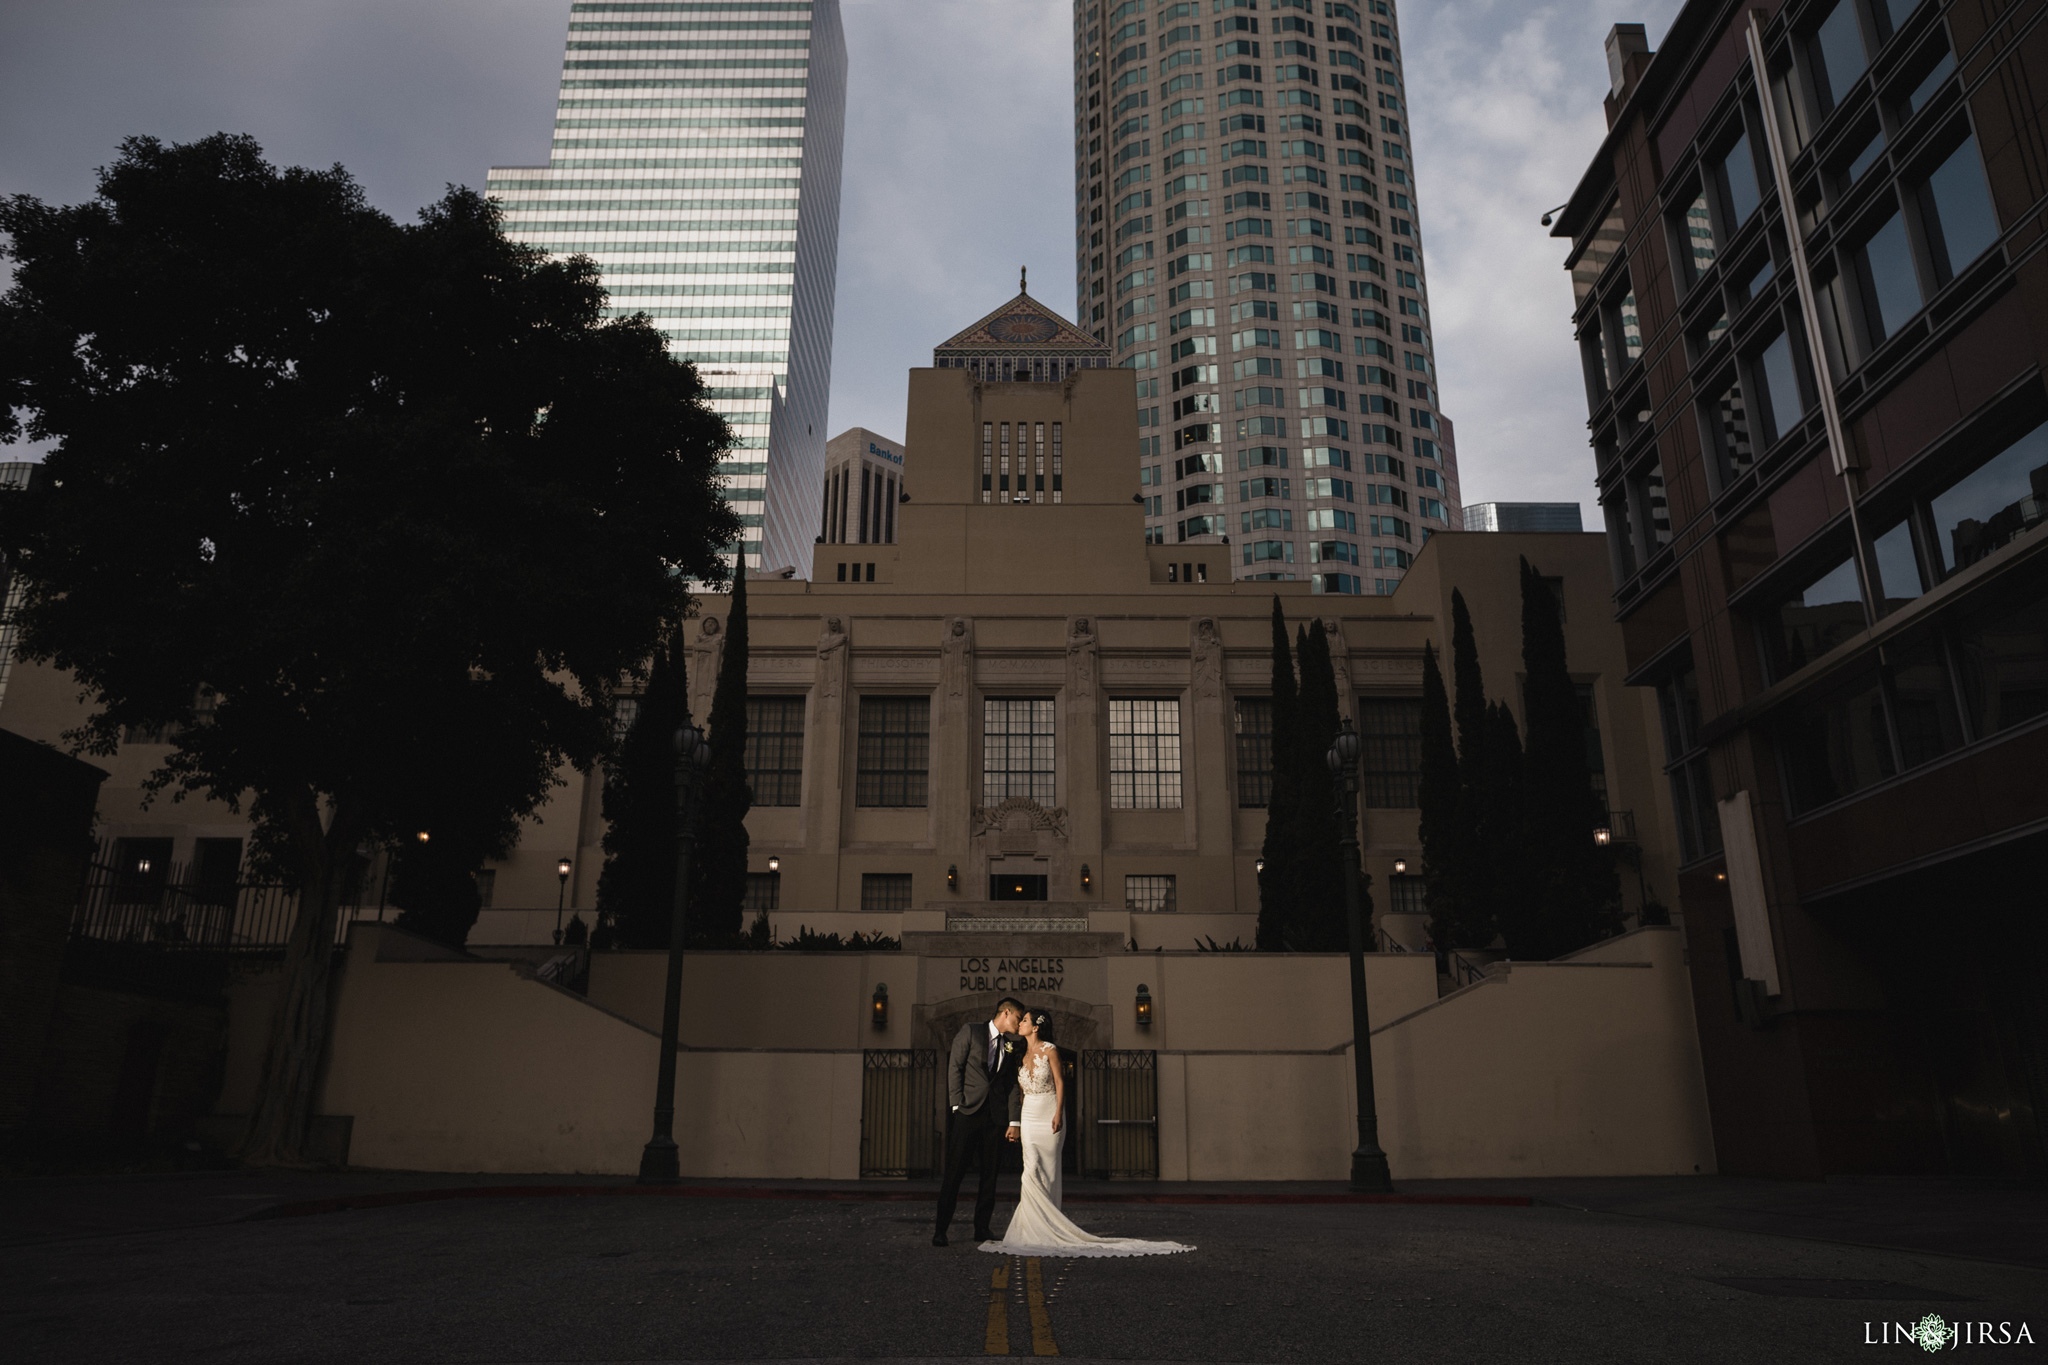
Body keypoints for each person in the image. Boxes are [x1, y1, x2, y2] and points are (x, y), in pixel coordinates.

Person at [981, 1008, 1193, 1258]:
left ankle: (1048, 1227)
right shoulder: (1018, 1053)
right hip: (1028, 1115)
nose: (1021, 1024)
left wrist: (1059, 1113)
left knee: (1048, 1172)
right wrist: (1015, 1120)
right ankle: (1030, 1229)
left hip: (1049, 1112)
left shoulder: (1051, 1050)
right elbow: (1018, 1092)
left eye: (1025, 1020)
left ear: (1036, 1027)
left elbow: (1060, 1083)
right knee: (1030, 1169)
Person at [934, 997, 1027, 1247]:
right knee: (954, 1173)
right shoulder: (971, 1031)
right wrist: (956, 1104)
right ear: (1006, 1013)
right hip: (967, 1113)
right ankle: (940, 1229)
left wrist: (1013, 1121)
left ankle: (982, 1228)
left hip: (994, 1119)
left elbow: (1010, 1087)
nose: (1020, 1024)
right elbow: (955, 1066)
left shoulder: (1010, 1046)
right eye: (1018, 1018)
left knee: (990, 1176)